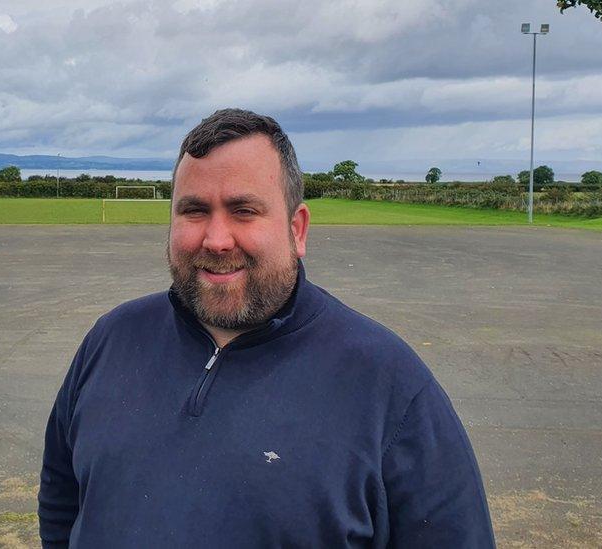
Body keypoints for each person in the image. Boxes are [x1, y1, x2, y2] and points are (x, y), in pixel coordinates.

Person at [38, 108, 495, 548]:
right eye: (194, 211)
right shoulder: (112, 340)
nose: (216, 240)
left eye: (244, 210)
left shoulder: (388, 384)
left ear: (297, 230)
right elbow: (62, 499)